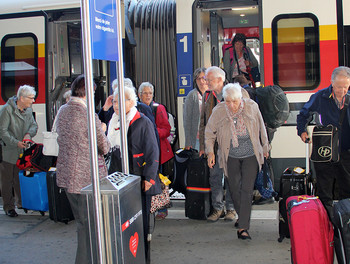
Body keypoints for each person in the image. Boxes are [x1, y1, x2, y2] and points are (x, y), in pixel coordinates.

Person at [55, 75, 110, 264]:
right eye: (93, 92)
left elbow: (60, 137)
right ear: (88, 93)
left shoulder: (62, 110)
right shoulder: (89, 116)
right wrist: (102, 128)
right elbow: (104, 147)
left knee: (81, 225)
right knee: (89, 228)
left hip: (68, 177)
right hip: (87, 180)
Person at [205, 83, 270, 239]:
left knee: (247, 190)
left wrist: (265, 148)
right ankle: (243, 217)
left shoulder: (252, 107)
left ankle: (243, 228)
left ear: (241, 99)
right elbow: (209, 133)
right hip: (230, 156)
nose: (231, 105)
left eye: (234, 101)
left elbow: (262, 127)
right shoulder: (219, 111)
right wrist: (210, 153)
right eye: (228, 101)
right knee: (234, 189)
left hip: (251, 155)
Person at [107, 85, 161, 261]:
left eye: (119, 101)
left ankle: (142, 258)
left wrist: (149, 179)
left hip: (139, 179)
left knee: (139, 223)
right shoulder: (113, 120)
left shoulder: (143, 121)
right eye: (114, 101)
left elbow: (153, 153)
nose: (115, 105)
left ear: (131, 102)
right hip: (118, 179)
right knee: (122, 222)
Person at [297, 66, 350, 221]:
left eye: (346, 87)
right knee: (324, 190)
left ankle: (345, 224)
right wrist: (302, 130)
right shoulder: (320, 97)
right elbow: (303, 114)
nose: (342, 91)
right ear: (332, 83)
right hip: (324, 151)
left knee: (347, 189)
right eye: (339, 87)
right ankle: (326, 223)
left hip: (345, 152)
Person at [198, 66, 235, 222]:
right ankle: (218, 208)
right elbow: (203, 122)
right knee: (215, 176)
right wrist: (203, 146)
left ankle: (231, 209)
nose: (206, 82)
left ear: (220, 80)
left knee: (231, 176)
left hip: (232, 144)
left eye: (209, 80)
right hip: (214, 145)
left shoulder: (234, 92)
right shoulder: (207, 96)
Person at [0, 85, 38, 217]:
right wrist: (15, 142)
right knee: (7, 180)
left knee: (19, 178)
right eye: (31, 98)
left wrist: (28, 134)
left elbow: (34, 125)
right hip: (8, 150)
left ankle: (22, 203)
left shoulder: (27, 109)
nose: (33, 101)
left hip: (23, 150)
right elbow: (2, 131)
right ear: (21, 98)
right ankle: (8, 207)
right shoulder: (6, 110)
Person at [138, 82, 174, 220]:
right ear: (139, 95)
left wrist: (151, 133)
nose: (148, 96)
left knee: (159, 179)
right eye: (145, 93)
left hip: (157, 151)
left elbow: (166, 129)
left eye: (150, 93)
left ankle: (162, 208)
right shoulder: (136, 108)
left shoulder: (158, 108)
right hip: (142, 153)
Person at [183, 67, 209, 150]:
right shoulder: (192, 95)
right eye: (198, 79)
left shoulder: (212, 93)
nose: (201, 81)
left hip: (211, 137)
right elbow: (187, 120)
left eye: (203, 78)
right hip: (197, 138)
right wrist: (188, 142)